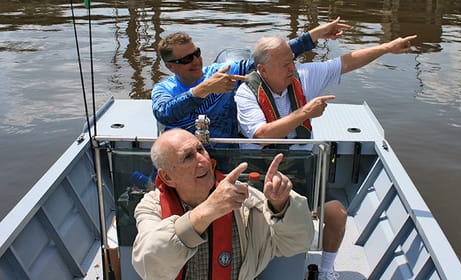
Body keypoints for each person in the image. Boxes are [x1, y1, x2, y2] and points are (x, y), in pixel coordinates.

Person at [234, 32, 417, 280]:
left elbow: (347, 62)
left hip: (302, 171)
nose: (292, 68)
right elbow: (262, 136)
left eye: (293, 61)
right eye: (285, 64)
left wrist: (387, 47)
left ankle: (326, 268)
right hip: (263, 174)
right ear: (262, 70)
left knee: (337, 214)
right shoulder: (245, 93)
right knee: (252, 221)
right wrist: (304, 113)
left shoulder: (303, 77)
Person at [132, 128, 314, 280]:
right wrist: (208, 210)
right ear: (167, 177)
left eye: (201, 149)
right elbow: (149, 264)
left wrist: (281, 205)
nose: (203, 160)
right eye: (188, 157)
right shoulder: (150, 207)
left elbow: (297, 243)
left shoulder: (244, 199)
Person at [151, 18, 351, 141]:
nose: (196, 61)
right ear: (170, 66)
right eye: (186, 59)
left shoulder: (223, 71)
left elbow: (271, 56)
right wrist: (203, 89)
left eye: (197, 53)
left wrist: (316, 34)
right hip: (185, 158)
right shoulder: (163, 89)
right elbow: (164, 114)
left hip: (227, 155)